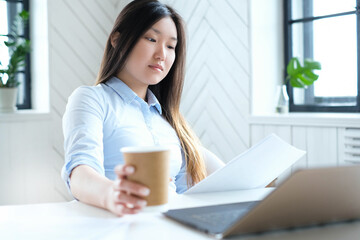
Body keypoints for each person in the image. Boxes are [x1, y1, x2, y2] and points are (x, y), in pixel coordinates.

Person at [61, 0, 224, 217]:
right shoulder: (92, 99)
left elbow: (199, 189)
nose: (161, 55)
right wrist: (112, 195)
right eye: (151, 39)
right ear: (117, 40)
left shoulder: (168, 122)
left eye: (170, 46)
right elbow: (80, 173)